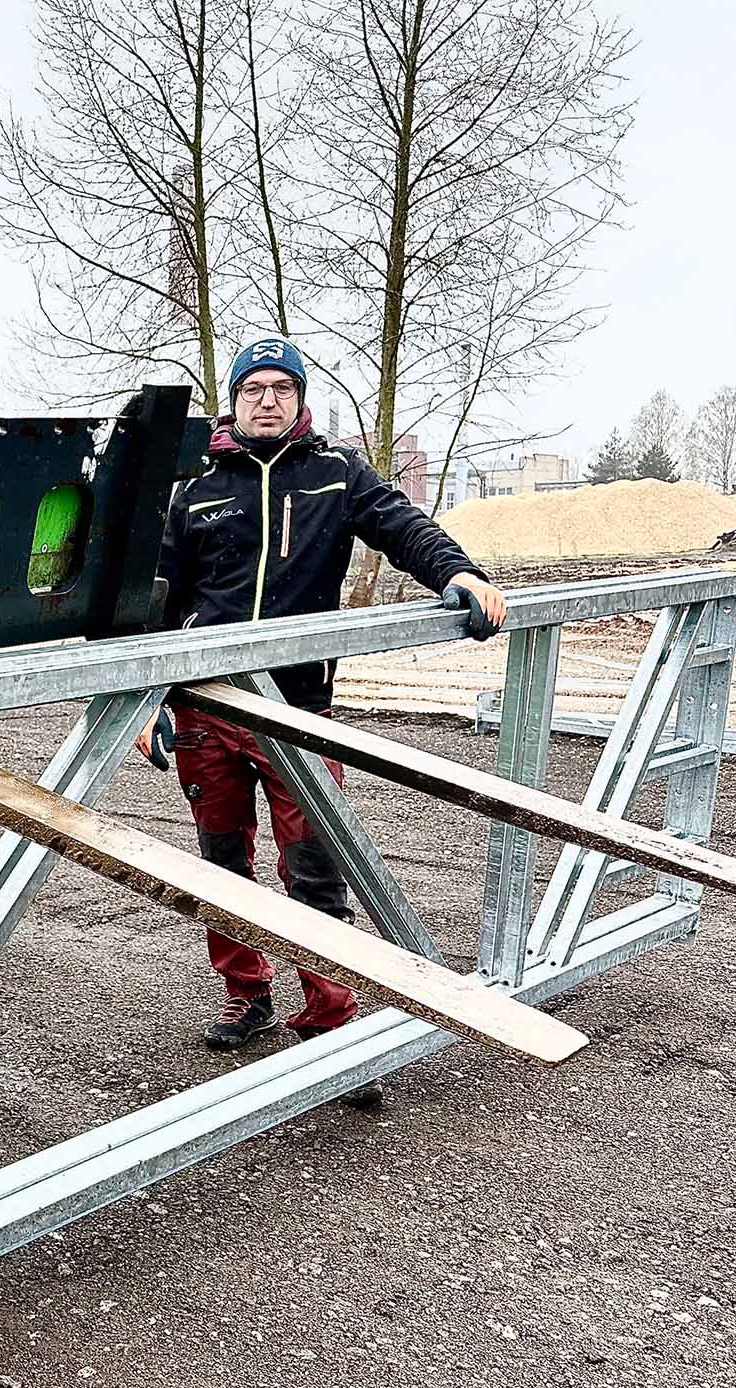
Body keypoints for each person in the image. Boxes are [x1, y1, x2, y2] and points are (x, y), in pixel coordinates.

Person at [146, 336, 507, 1095]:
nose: (267, 400)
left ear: (299, 398)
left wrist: (460, 571)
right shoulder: (195, 490)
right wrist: (146, 702)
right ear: (234, 400)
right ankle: (247, 995)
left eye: (281, 387)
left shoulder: (337, 475)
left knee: (315, 871)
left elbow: (404, 527)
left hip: (299, 711)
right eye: (254, 389)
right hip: (207, 708)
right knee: (222, 865)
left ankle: (331, 1028)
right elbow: (156, 604)